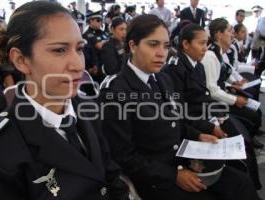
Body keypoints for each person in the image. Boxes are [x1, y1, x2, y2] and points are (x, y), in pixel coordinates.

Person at [0, 2, 130, 199]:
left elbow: (110, 177)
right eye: (59, 50)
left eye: (79, 49)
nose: (78, 65)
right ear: (21, 60)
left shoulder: (87, 109)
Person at [99, 14, 260, 200]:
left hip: (182, 159)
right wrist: (173, 175)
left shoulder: (162, 78)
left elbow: (175, 120)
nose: (162, 53)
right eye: (153, 44)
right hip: (155, 178)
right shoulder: (116, 91)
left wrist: (198, 134)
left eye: (166, 46)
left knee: (240, 182)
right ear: (133, 45)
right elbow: (123, 157)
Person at [163, 23, 262, 191]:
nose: (205, 48)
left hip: (207, 116)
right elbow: (181, 112)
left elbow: (204, 98)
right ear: (186, 45)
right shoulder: (175, 70)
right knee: (239, 153)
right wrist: (210, 126)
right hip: (195, 123)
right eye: (201, 43)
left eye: (206, 43)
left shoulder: (198, 65)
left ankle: (253, 187)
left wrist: (216, 119)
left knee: (243, 141)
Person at [201, 18, 264, 149]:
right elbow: (212, 90)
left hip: (224, 95)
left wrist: (234, 83)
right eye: (229, 31)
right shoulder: (210, 56)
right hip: (216, 104)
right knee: (253, 117)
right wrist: (235, 99)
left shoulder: (220, 52)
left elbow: (227, 71)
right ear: (218, 34)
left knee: (256, 113)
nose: (233, 34)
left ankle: (249, 142)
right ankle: (247, 145)